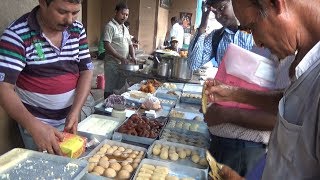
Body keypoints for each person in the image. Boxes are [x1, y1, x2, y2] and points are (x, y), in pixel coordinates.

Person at [211, 0, 320, 179]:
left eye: (252, 26)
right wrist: (234, 93)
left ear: (276, 4)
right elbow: (294, 106)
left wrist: (230, 112)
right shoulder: (306, 63)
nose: (257, 43)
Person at [0, 0, 93, 155]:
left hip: (72, 120)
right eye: (62, 12)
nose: (70, 20)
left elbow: (86, 71)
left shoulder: (77, 29)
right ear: (43, 2)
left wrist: (75, 111)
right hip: (38, 127)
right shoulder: (16, 35)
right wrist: (34, 127)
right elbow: (4, 88)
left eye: (75, 12)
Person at [187, 0, 255, 70]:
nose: (218, 16)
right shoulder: (216, 37)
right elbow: (193, 65)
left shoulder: (256, 33)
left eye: (221, 8)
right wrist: (202, 26)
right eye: (214, 12)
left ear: (235, 3)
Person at [102, 2, 136, 98]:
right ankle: (106, 108)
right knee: (110, 88)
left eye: (127, 15)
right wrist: (120, 57)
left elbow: (130, 44)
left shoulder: (125, 28)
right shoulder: (110, 26)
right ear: (116, 12)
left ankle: (116, 106)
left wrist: (133, 56)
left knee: (120, 88)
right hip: (112, 64)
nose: (124, 16)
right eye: (122, 13)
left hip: (123, 64)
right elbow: (107, 45)